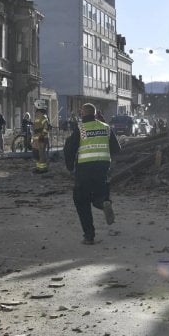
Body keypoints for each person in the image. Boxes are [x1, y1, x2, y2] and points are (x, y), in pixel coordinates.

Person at [64, 102, 121, 245]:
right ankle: (104, 203)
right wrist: (111, 166)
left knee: (81, 201)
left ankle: (89, 236)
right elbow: (117, 149)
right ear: (95, 114)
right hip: (102, 169)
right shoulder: (106, 128)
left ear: (83, 114)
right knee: (99, 195)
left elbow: (69, 149)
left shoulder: (81, 128)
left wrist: (70, 167)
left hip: (84, 170)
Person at [32, 100, 50, 173]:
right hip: (37, 139)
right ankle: (38, 168)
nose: (34, 108)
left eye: (35, 106)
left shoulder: (42, 116)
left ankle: (43, 169)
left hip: (41, 138)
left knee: (41, 154)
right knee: (37, 154)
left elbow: (46, 127)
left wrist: (42, 135)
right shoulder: (38, 115)